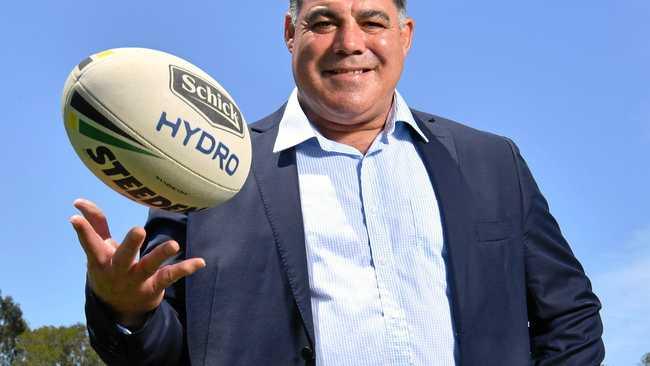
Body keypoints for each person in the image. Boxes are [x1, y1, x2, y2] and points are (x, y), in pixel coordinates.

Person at [70, 0, 605, 365]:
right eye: (324, 21)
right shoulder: (208, 172)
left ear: (405, 35)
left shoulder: (491, 162)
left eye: (372, 20)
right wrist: (129, 310)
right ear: (290, 33)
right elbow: (164, 350)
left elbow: (570, 316)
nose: (350, 43)